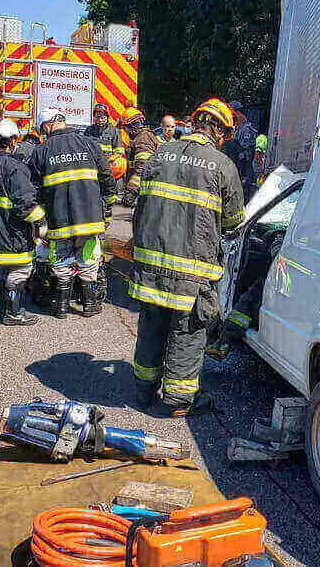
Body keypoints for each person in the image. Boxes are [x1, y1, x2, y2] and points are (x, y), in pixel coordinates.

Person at [129, 97, 245, 416]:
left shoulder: (158, 154)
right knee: (188, 329)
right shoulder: (223, 166)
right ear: (220, 131)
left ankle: (143, 390)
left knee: (151, 324)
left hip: (150, 264)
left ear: (194, 122)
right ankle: (178, 401)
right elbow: (234, 221)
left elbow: (138, 201)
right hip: (192, 270)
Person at [29, 108, 117, 319]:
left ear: (48, 125)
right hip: (90, 219)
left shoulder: (42, 151)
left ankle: (61, 307)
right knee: (88, 258)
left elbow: (33, 189)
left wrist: (38, 219)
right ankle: (89, 304)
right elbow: (107, 178)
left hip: (59, 220)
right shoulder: (89, 143)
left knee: (60, 259)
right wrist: (107, 207)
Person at [0, 119, 44, 326]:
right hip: (12, 233)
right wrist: (41, 222)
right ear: (13, 141)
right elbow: (26, 205)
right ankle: (14, 312)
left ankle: (3, 309)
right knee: (19, 271)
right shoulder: (15, 167)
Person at [120, 107, 159, 208]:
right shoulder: (140, 137)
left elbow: (142, 167)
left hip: (146, 190)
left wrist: (131, 191)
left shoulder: (143, 139)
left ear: (132, 126)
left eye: (125, 128)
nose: (125, 131)